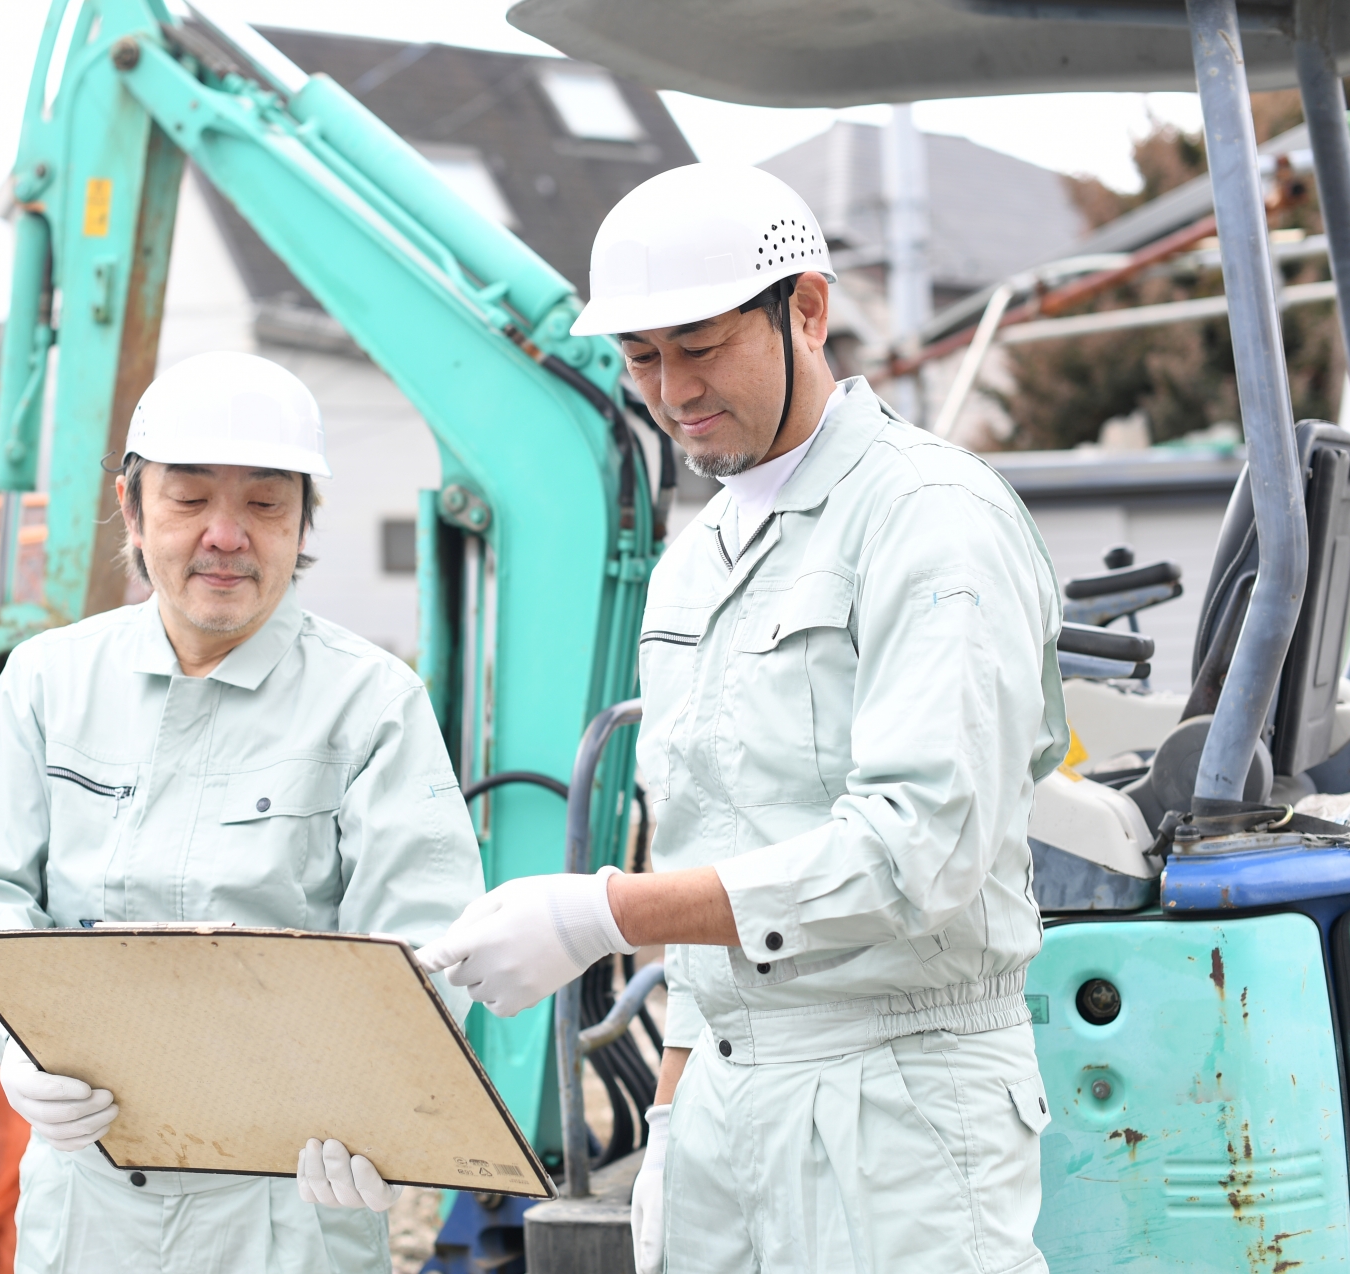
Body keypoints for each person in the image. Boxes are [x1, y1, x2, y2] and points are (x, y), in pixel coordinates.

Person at [418, 164, 1067, 1274]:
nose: (669, 391)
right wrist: (672, 1119)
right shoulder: (694, 563)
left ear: (805, 310)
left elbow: (922, 849)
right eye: (640, 358)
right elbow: (706, 847)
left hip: (900, 1107)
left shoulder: (928, 520)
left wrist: (601, 911)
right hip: (723, 1096)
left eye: (699, 345)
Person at [0, 351, 485, 1274]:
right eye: (189, 500)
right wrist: (16, 1045)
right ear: (133, 511)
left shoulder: (372, 704)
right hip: (89, 1201)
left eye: (265, 504)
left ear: (304, 522)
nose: (226, 535)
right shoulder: (48, 684)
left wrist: (383, 1109)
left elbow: (426, 943)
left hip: (292, 1206)